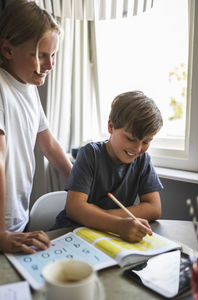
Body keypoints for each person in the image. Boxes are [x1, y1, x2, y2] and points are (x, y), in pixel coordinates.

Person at [0, 0, 72, 254]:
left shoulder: (28, 89)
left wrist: (78, 184)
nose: (50, 64)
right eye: (42, 55)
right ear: (8, 50)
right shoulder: (1, 87)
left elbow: (49, 144)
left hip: (16, 219)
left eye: (53, 55)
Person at [54, 91, 163, 243]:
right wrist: (117, 224)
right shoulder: (90, 154)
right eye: (131, 138)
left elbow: (154, 208)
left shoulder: (142, 160)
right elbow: (75, 208)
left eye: (145, 142)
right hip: (73, 231)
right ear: (111, 126)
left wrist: (105, 216)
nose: (138, 149)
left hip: (108, 235)